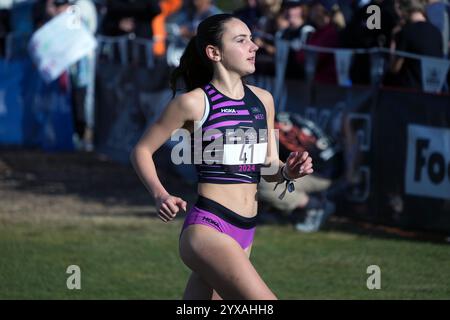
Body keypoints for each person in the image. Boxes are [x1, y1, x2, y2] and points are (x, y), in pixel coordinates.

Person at [130, 13, 313, 300]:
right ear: (214, 52)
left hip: (246, 231)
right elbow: (141, 150)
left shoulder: (263, 100)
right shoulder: (192, 103)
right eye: (241, 40)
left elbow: (267, 166)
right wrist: (160, 195)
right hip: (209, 227)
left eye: (252, 39)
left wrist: (289, 171)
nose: (254, 46)